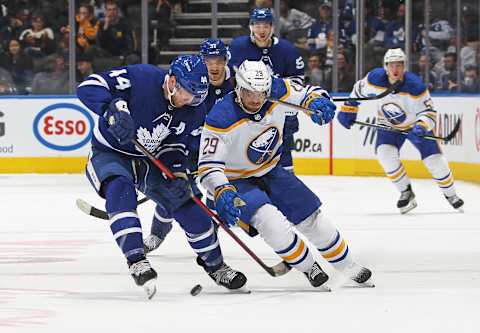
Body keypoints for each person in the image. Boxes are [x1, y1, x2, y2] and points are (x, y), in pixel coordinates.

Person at [76, 55, 247, 299]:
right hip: (110, 153)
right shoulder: (142, 77)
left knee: (191, 210)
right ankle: (136, 260)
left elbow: (177, 146)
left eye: (195, 96)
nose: (188, 100)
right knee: (120, 191)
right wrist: (111, 108)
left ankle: (216, 266)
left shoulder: (194, 108)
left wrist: (178, 174)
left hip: (151, 160)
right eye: (186, 93)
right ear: (172, 80)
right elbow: (88, 86)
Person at [198, 60, 372, 288]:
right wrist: (221, 190)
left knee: (311, 217)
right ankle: (309, 267)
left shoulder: (277, 91)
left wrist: (318, 101)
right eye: (249, 92)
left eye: (261, 93)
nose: (256, 99)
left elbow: (309, 92)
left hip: (271, 170)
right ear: (238, 88)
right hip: (236, 181)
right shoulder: (220, 117)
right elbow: (208, 165)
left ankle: (347, 265)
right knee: (270, 222)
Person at [337, 48, 464, 214]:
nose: (395, 69)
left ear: (404, 66)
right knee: (385, 154)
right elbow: (357, 91)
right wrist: (349, 108)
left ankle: (451, 195)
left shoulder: (415, 86)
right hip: (389, 126)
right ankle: (406, 192)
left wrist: (421, 125)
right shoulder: (375, 78)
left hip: (415, 126)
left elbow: (429, 113)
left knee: (434, 160)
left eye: (399, 65)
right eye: (392, 65)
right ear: (385, 66)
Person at [143, 38, 235, 254]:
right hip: (189, 149)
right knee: (177, 194)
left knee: (217, 191)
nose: (214, 66)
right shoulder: (191, 82)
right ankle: (157, 233)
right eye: (209, 60)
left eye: (219, 60)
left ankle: (210, 236)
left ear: (226, 60)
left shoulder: (237, 85)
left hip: (222, 150)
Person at [229, 8, 305, 174]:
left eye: (265, 26)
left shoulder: (287, 50)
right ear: (251, 27)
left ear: (272, 27)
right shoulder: (237, 47)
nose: (261, 30)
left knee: (284, 158)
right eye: (257, 25)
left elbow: (297, 81)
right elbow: (229, 78)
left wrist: (279, 93)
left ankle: (286, 189)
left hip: (278, 113)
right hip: (247, 112)